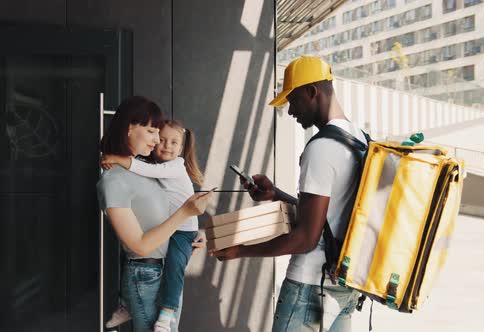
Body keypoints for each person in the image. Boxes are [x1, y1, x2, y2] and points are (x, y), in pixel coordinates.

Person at [210, 56, 367, 332]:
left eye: (292, 100)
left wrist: (239, 250)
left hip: (308, 286)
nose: (290, 110)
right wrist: (276, 194)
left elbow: (306, 238)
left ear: (312, 92)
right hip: (343, 286)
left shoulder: (321, 148)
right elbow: (329, 217)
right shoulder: (361, 139)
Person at [97, 96, 213, 332]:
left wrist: (190, 232)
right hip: (146, 274)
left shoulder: (147, 168)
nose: (157, 140)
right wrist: (185, 214)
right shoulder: (114, 179)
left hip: (165, 267)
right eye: (152, 131)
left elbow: (164, 211)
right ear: (130, 128)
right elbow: (139, 245)